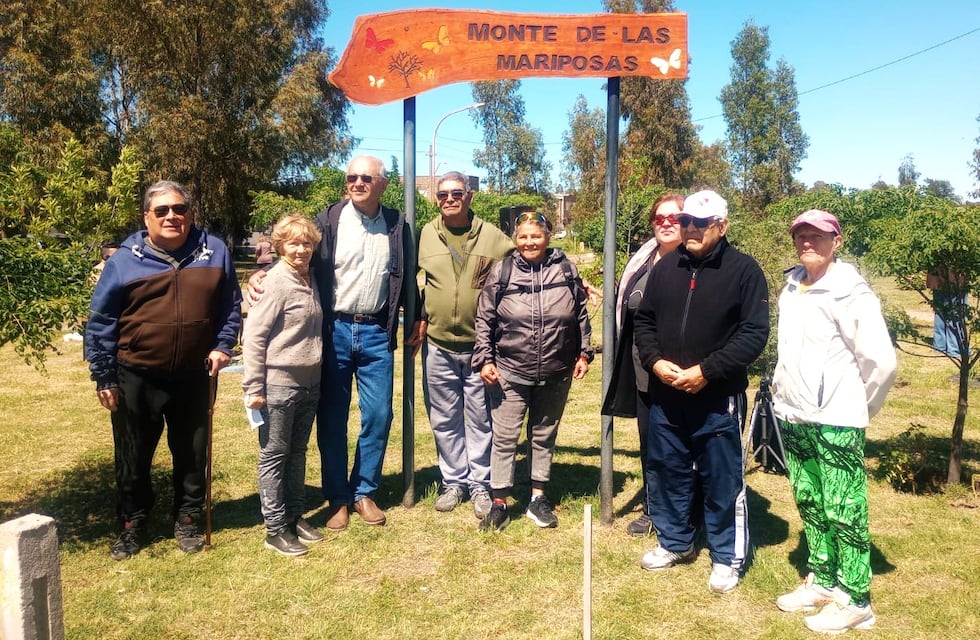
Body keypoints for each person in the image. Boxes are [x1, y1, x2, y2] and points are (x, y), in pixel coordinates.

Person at [248, 155, 421, 531]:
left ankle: (364, 491)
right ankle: (338, 498)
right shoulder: (328, 221)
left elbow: (407, 275)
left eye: (366, 177)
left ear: (383, 184)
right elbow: (297, 251)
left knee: (378, 415)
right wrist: (261, 274)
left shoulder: (397, 225)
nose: (357, 183)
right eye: (351, 177)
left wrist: (417, 314)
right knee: (332, 418)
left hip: (377, 331)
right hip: (334, 331)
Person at [86, 180, 242, 560]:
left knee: (192, 451)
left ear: (190, 214)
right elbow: (102, 319)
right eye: (162, 211)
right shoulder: (125, 259)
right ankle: (132, 522)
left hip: (195, 373)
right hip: (135, 373)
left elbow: (230, 307)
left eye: (179, 209)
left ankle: (188, 517)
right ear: (146, 217)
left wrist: (223, 346)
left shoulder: (215, 250)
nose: (172, 216)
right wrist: (104, 375)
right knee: (133, 454)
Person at [633, 189, 769, 594]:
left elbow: (753, 334)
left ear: (721, 227)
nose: (688, 229)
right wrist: (655, 362)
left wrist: (707, 372)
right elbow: (645, 322)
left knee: (722, 478)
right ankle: (675, 541)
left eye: (699, 223)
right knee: (667, 469)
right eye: (685, 221)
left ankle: (726, 556)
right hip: (668, 394)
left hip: (716, 397)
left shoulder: (744, 271)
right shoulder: (665, 267)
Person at [770, 209, 897, 634]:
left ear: (836, 241)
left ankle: (856, 597)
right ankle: (823, 580)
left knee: (845, 508)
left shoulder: (850, 292)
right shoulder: (793, 287)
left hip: (837, 418)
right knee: (809, 500)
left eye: (818, 236)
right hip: (794, 412)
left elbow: (881, 363)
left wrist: (858, 410)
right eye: (801, 235)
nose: (808, 242)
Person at [472, 211, 593, 531]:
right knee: (505, 437)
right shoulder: (503, 271)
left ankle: (538, 498)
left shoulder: (565, 268)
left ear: (547, 236)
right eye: (524, 236)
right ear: (516, 239)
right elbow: (484, 319)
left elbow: (580, 313)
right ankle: (499, 502)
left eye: (536, 236)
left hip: (556, 369)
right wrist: (485, 359)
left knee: (543, 435)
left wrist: (585, 352)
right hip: (510, 370)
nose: (530, 242)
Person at [417, 171, 513, 519]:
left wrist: (572, 280)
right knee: (443, 418)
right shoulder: (425, 235)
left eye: (456, 193)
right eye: (442, 195)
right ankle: (453, 481)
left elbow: (531, 257)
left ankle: (480, 484)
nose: (449, 200)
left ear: (470, 196)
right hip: (438, 345)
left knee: (479, 418)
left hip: (480, 348)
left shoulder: (494, 238)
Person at [602, 193, 684, 537]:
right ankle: (653, 508)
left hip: (682, 374)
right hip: (643, 370)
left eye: (674, 217)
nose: (666, 223)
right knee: (650, 443)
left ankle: (683, 513)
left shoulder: (692, 261)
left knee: (681, 446)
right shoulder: (643, 261)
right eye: (659, 218)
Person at [242, 215, 324, 557]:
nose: (301, 249)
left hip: (309, 384)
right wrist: (254, 387)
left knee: (298, 453)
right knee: (274, 455)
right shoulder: (275, 282)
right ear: (279, 246)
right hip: (278, 385)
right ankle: (274, 528)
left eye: (307, 243)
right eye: (293, 243)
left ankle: (294, 515)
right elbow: (254, 336)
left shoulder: (309, 278)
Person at [927, 270, 966, 358]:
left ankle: (940, 346)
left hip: (937, 278)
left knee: (940, 312)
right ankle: (954, 348)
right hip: (953, 278)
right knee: (955, 312)